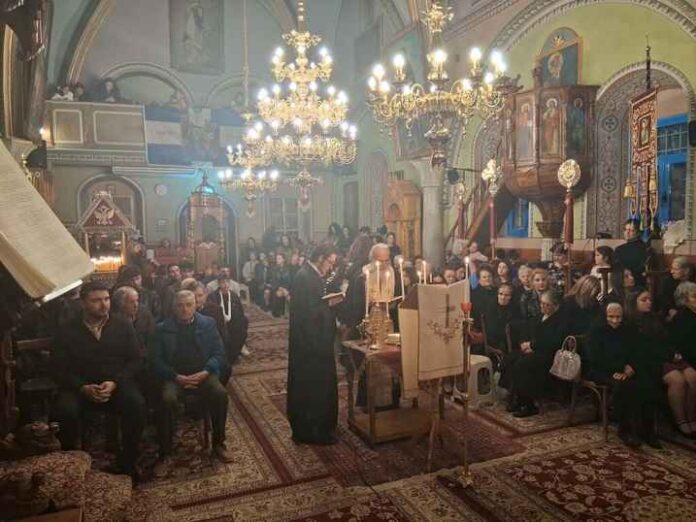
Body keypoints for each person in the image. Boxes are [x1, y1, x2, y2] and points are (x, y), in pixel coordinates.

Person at [50, 282, 145, 479]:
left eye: (107, 299)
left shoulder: (122, 325)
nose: (104, 305)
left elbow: (136, 360)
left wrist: (116, 382)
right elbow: (58, 368)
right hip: (80, 387)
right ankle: (71, 468)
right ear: (83, 303)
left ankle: (129, 461)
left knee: (136, 404)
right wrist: (82, 387)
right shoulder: (66, 330)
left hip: (115, 384)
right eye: (96, 300)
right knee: (64, 410)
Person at [151, 290, 232, 474]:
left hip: (203, 374)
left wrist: (206, 371)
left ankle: (219, 443)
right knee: (167, 399)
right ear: (173, 307)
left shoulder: (208, 324)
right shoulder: (162, 328)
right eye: (180, 305)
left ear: (196, 305)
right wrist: (175, 376)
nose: (184, 309)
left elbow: (219, 354)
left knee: (220, 394)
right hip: (174, 376)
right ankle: (165, 453)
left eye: (189, 305)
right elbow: (155, 361)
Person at [287, 245, 343, 445]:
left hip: (314, 341)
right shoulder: (305, 277)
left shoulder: (311, 275)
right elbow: (308, 315)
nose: (331, 267)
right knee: (314, 387)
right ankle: (314, 430)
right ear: (320, 258)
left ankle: (320, 426)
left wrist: (327, 304)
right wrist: (329, 304)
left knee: (318, 385)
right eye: (330, 262)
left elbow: (314, 306)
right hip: (311, 344)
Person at [586, 303, 657, 447]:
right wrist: (617, 369)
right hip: (603, 370)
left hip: (626, 369)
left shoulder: (628, 330)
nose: (615, 320)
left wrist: (631, 367)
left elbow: (639, 351)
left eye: (618, 317)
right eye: (611, 317)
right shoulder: (596, 331)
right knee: (626, 387)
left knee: (647, 383)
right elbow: (596, 358)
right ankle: (626, 430)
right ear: (604, 316)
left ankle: (647, 430)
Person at [625, 289, 685, 440]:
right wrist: (669, 356)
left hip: (666, 356)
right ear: (634, 303)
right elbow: (645, 349)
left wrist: (675, 353)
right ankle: (680, 421)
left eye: (650, 299)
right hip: (650, 361)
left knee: (692, 376)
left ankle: (690, 418)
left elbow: (666, 340)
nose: (649, 303)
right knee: (677, 380)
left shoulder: (655, 318)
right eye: (644, 300)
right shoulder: (630, 323)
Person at [501, 290, 566, 417]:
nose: (542, 306)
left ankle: (528, 404)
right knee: (511, 359)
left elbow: (553, 342)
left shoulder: (560, 321)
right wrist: (524, 343)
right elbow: (526, 331)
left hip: (548, 355)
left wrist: (532, 346)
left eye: (546, 304)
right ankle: (516, 397)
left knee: (522, 364)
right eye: (541, 303)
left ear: (556, 306)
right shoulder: (539, 316)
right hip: (534, 350)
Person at [207, 276, 249, 363]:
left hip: (233, 321)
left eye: (227, 282)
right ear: (219, 284)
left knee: (243, 324)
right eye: (223, 282)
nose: (225, 285)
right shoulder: (213, 296)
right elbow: (211, 313)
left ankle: (236, 352)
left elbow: (240, 310)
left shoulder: (233, 295)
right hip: (219, 323)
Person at [614, 219, 647, 285]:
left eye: (631, 230)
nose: (627, 233)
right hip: (625, 279)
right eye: (625, 230)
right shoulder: (620, 249)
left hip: (635, 281)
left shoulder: (644, 248)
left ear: (638, 233)